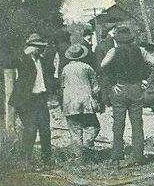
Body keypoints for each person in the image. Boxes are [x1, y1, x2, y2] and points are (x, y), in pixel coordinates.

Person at [100, 25, 154, 166]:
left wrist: (112, 83)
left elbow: (102, 66)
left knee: (118, 124)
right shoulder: (140, 50)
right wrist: (147, 82)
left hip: (119, 90)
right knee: (137, 124)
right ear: (130, 38)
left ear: (118, 40)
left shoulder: (113, 51)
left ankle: (116, 157)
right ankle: (138, 157)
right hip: (136, 88)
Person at [8, 33, 55, 165]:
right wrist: (24, 52)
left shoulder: (42, 60)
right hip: (26, 100)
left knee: (45, 130)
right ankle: (25, 160)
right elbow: (10, 61)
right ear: (31, 47)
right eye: (38, 47)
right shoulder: (22, 59)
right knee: (30, 130)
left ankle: (47, 159)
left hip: (40, 99)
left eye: (41, 47)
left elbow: (49, 74)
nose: (41, 49)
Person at [60, 43, 102, 162]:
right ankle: (88, 147)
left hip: (70, 103)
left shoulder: (65, 69)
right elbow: (96, 88)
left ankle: (78, 158)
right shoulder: (87, 68)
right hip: (85, 103)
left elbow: (61, 86)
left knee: (75, 131)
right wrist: (98, 100)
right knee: (93, 127)